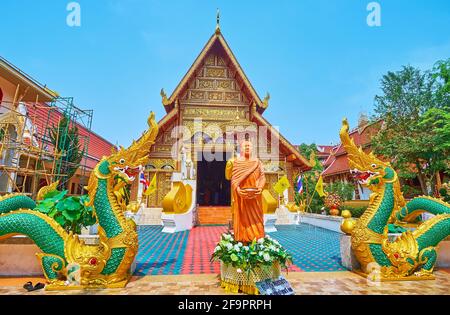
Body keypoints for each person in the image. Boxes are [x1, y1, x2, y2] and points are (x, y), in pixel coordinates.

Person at [230, 141, 266, 243]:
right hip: (242, 197)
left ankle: (258, 238)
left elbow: (262, 177)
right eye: (245, 146)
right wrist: (238, 190)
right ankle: (243, 240)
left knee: (257, 219)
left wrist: (260, 188)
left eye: (249, 146)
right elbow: (234, 180)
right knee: (243, 220)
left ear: (252, 148)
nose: (247, 147)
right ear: (241, 149)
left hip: (255, 197)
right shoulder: (237, 162)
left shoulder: (258, 162)